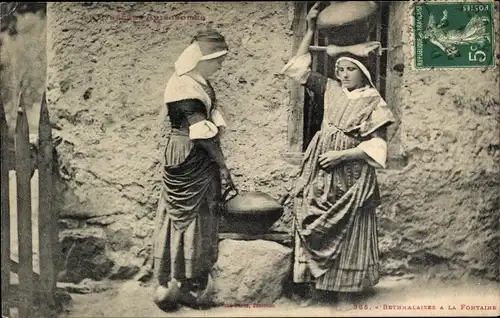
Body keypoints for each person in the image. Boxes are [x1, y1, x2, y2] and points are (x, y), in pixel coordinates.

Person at [281, 3, 395, 306]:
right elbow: (295, 68)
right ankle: (320, 287)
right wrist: (309, 31)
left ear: (364, 72)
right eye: (340, 69)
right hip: (322, 169)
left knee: (350, 228)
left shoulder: (374, 102)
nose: (343, 75)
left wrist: (343, 157)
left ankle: (346, 291)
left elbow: (378, 146)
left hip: (352, 174)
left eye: (350, 70)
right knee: (313, 218)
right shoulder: (328, 87)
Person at [153, 28, 236, 311]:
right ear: (203, 58)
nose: (220, 65)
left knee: (200, 215)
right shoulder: (183, 86)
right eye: (217, 60)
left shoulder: (199, 82)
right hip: (187, 152)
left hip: (198, 152)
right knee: (184, 215)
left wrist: (217, 159)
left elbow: (209, 122)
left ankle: (191, 280)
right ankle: (176, 280)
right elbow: (199, 130)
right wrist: (221, 163)